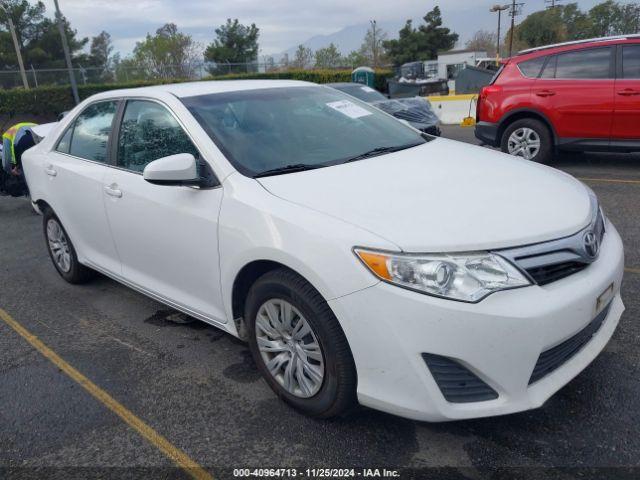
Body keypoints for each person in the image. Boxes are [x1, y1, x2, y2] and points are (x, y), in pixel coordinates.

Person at [1, 122, 37, 197]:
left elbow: (6, 160)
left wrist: (10, 171)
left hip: (25, 143)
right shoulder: (33, 125)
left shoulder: (7, 135)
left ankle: (34, 198)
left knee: (29, 178)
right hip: (42, 138)